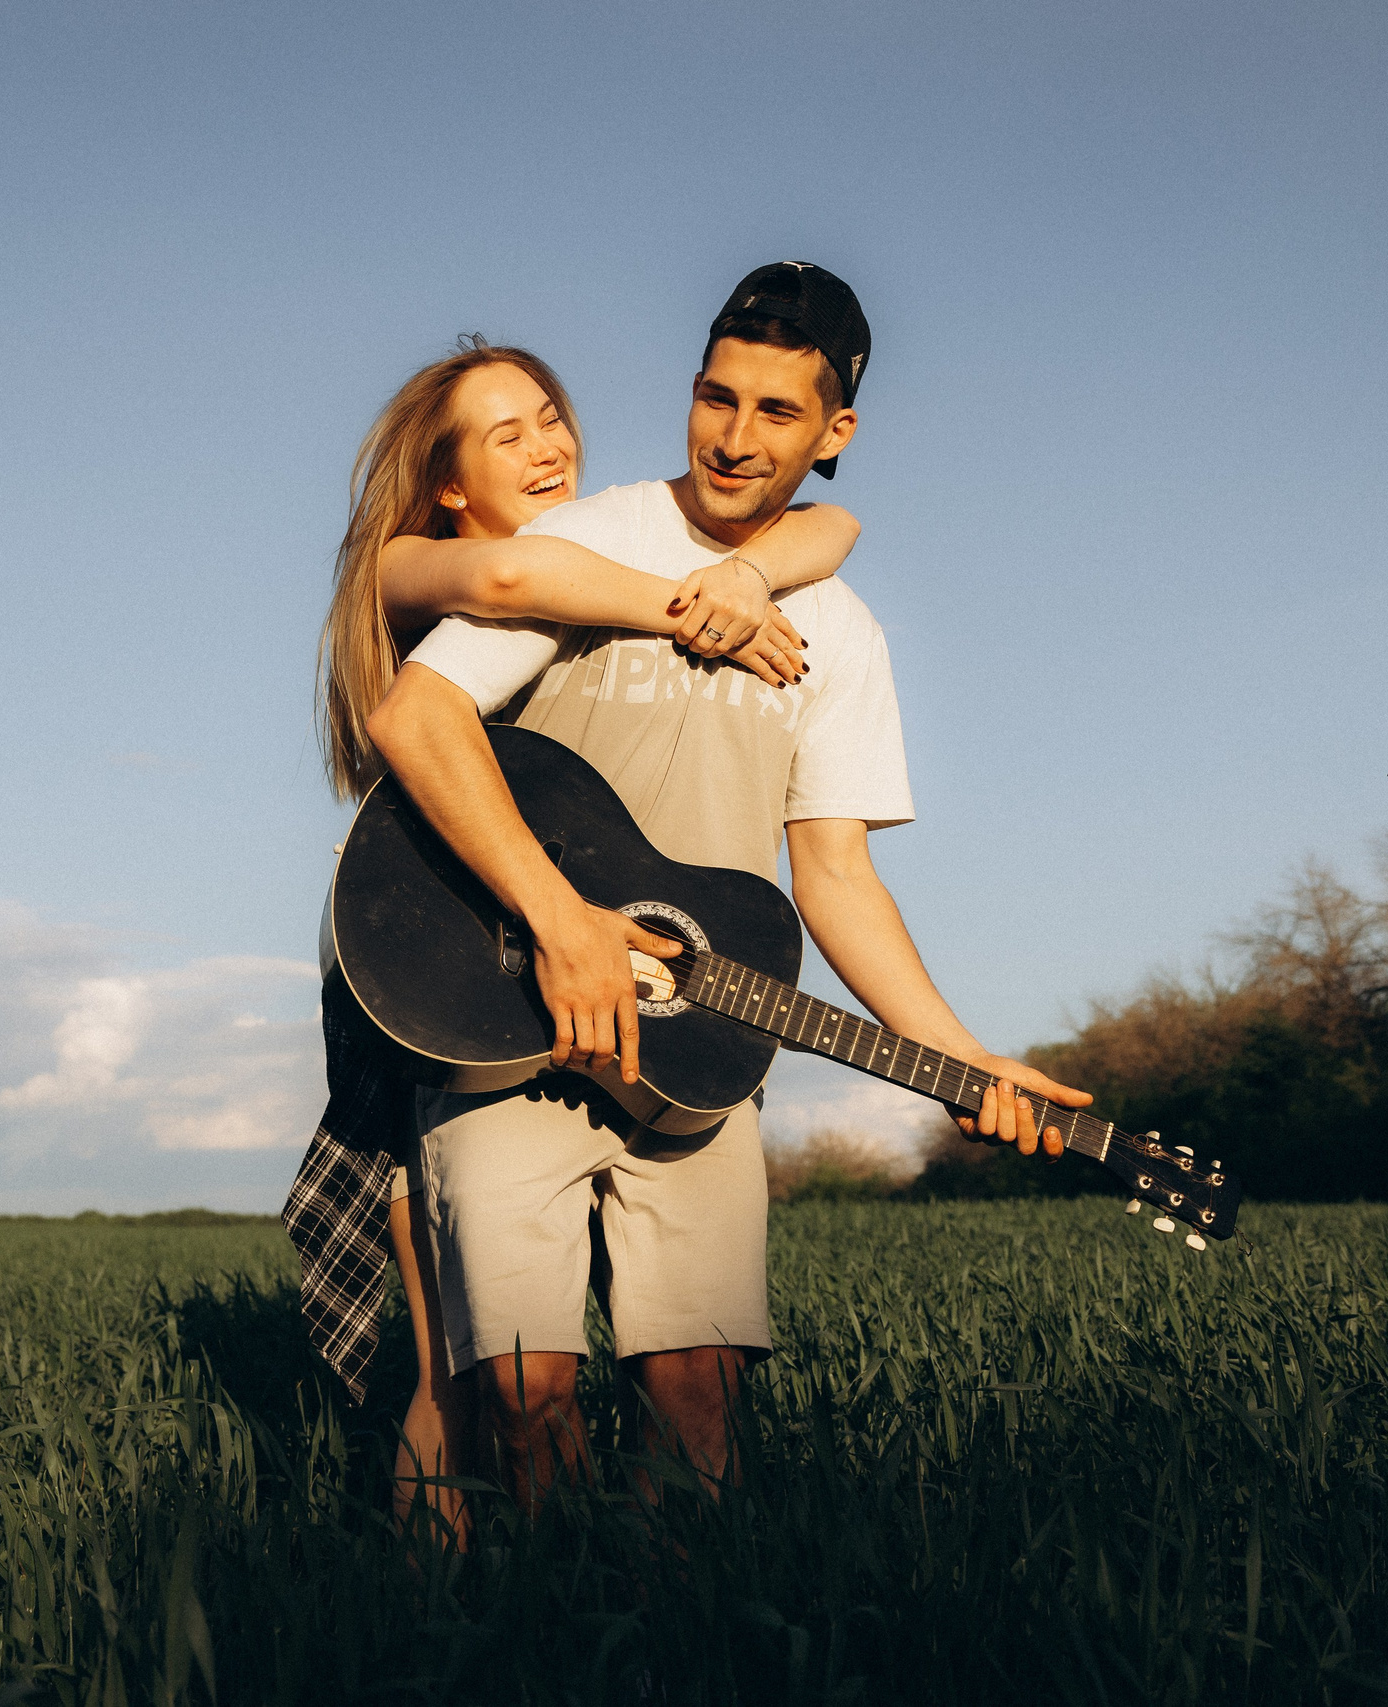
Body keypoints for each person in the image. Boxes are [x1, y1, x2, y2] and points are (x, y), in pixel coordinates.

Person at [361, 264, 1090, 1510]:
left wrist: (963, 1059)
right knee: (524, 1395)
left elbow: (836, 874)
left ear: (832, 433)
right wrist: (560, 922)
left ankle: (680, 1622)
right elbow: (416, 720)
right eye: (717, 398)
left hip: (701, 1046)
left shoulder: (842, 632)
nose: (735, 438)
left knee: (695, 1396)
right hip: (513, 1013)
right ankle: (551, 1616)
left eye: (775, 412)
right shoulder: (585, 544)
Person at [286, 334, 867, 1543]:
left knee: (497, 1354)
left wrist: (758, 569)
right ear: (450, 486)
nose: (548, 447)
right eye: (507, 437)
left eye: (551, 416)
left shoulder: (575, 557)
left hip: (498, 924)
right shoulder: (417, 564)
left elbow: (831, 527)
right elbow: (516, 580)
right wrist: (704, 607)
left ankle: (551, 1591)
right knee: (454, 1367)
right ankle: (439, 1608)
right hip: (428, 950)